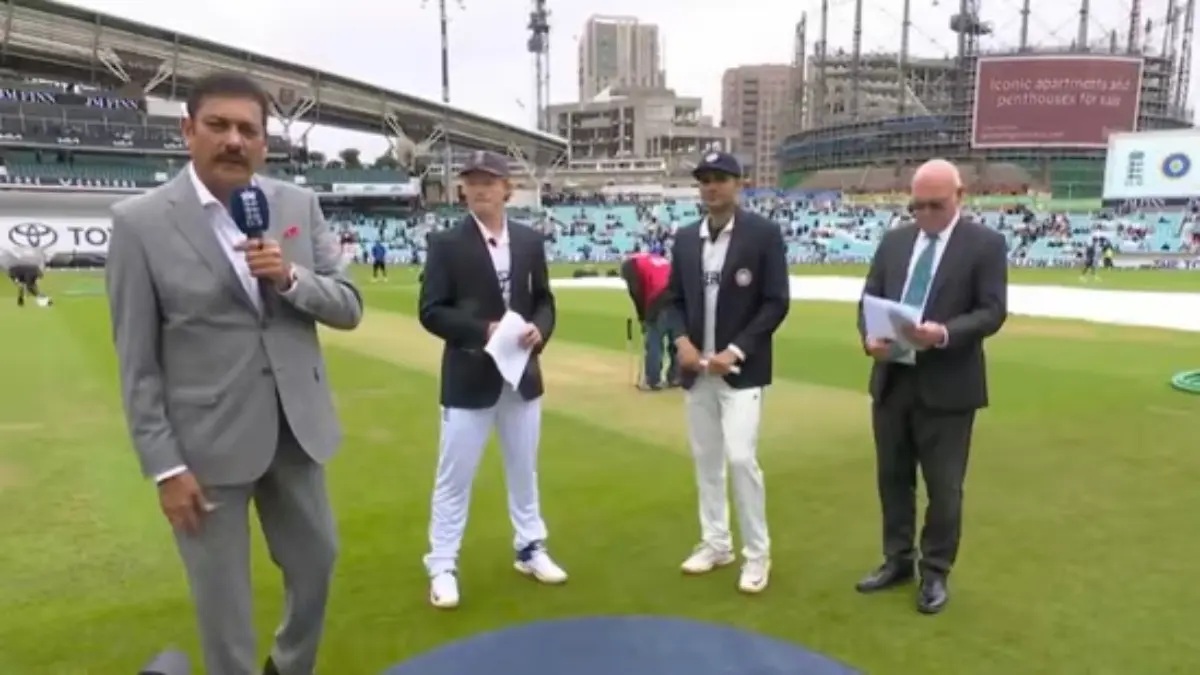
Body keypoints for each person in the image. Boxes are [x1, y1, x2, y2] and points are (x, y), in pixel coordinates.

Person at [105, 72, 363, 675]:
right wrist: (166, 466)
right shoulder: (140, 223)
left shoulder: (296, 205)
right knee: (224, 605)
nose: (234, 140)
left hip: (296, 432)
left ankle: (289, 665)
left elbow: (349, 306)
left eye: (248, 129)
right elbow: (136, 362)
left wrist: (290, 278)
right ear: (187, 130)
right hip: (205, 449)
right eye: (218, 125)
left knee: (317, 563)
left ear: (264, 144)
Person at [855, 159, 1007, 615]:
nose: (924, 215)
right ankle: (897, 559)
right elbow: (867, 300)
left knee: (944, 488)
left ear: (960, 196)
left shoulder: (985, 244)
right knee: (893, 480)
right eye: (916, 205)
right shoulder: (895, 241)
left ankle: (935, 572)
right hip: (893, 380)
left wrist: (941, 333)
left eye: (934, 205)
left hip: (948, 386)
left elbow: (992, 311)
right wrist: (869, 336)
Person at [418, 150, 566, 610]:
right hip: (469, 375)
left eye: (489, 180)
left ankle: (530, 547)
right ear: (463, 188)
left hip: (521, 376)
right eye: (472, 181)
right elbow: (431, 311)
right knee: (454, 475)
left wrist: (541, 329)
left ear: (508, 188)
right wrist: (483, 332)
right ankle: (442, 563)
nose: (480, 188)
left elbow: (544, 299)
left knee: (524, 468)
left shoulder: (528, 240)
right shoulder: (447, 244)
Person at [662, 151, 790, 594]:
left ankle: (757, 554)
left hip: (742, 371)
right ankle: (716, 543)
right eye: (704, 180)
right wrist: (681, 342)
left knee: (740, 459)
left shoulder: (763, 235)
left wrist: (734, 350)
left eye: (720, 179)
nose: (711, 187)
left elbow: (776, 302)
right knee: (707, 462)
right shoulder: (684, 238)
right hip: (698, 371)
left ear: (740, 184)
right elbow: (671, 299)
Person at [619, 250, 679, 390]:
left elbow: (636, 292)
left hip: (659, 298)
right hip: (677, 296)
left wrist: (642, 317)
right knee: (676, 339)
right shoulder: (657, 259)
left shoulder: (630, 265)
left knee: (654, 341)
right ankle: (676, 376)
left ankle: (653, 380)